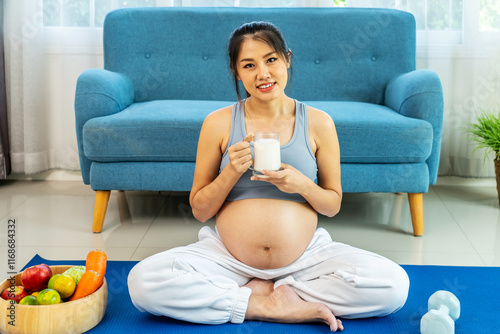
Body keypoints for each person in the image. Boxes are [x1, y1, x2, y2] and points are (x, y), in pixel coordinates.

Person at [128, 21, 409, 332]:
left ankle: (272, 291)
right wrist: (230, 173)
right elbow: (200, 210)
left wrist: (301, 184)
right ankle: (263, 303)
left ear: (287, 59)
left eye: (271, 60)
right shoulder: (217, 123)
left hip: (304, 260)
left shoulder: (319, 123)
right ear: (236, 72)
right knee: (142, 281)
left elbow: (332, 205)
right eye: (249, 65)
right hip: (228, 258)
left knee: (394, 284)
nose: (262, 73)